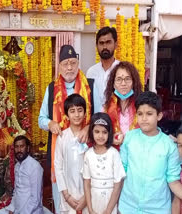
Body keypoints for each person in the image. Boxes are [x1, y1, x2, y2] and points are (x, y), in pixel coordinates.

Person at [38, 45, 96, 213]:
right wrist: (50, 124)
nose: (69, 67)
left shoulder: (90, 85)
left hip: (86, 144)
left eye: (73, 62)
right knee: (62, 196)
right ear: (60, 66)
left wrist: (88, 126)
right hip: (60, 145)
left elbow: (100, 115)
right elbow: (41, 118)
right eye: (65, 63)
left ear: (78, 63)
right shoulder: (51, 88)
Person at [119, 91, 182, 213]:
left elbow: (172, 179)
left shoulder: (169, 146)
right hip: (128, 207)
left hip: (157, 209)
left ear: (159, 116)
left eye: (149, 114)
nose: (144, 118)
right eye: (140, 114)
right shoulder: (129, 138)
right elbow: (121, 172)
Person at [83, 112, 125, 214]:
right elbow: (87, 183)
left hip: (109, 203)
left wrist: (108, 210)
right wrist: (90, 209)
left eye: (104, 132)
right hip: (93, 202)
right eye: (97, 132)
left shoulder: (114, 154)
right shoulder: (88, 154)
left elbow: (118, 185)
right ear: (91, 132)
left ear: (109, 133)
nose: (100, 136)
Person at [54, 94, 89, 214]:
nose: (77, 114)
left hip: (87, 195)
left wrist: (86, 197)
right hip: (68, 195)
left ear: (85, 114)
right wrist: (66, 196)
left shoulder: (90, 137)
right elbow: (58, 168)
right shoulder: (62, 138)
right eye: (72, 111)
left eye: (80, 110)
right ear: (67, 115)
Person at [0, 135, 44, 214]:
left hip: (31, 211)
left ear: (28, 148)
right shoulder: (17, 166)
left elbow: (35, 199)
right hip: (17, 209)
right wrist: (11, 208)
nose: (19, 150)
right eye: (16, 147)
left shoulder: (35, 167)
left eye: (22, 146)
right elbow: (16, 191)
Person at [104, 61, 142, 146]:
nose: (123, 83)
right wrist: (110, 139)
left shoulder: (141, 106)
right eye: (119, 79)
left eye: (127, 79)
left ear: (133, 82)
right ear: (113, 84)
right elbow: (101, 134)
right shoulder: (106, 108)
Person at [86, 26, 119, 111]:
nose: (105, 47)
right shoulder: (91, 72)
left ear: (116, 44)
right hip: (96, 120)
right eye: (101, 43)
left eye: (108, 42)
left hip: (117, 119)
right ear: (97, 46)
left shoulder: (122, 69)